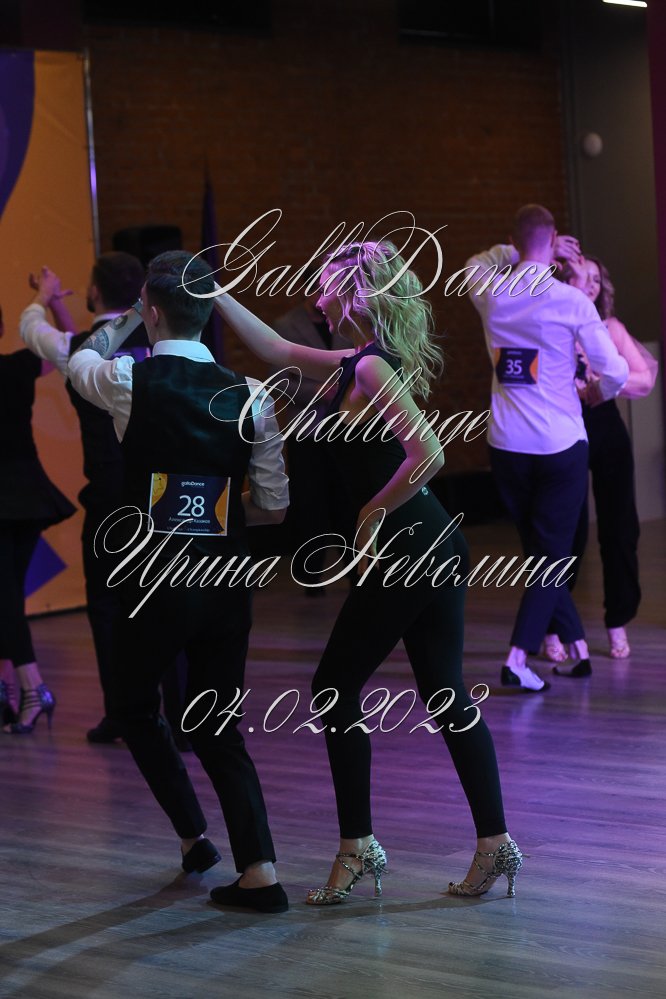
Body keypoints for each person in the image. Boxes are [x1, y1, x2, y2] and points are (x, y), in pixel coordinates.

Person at [208, 239, 523, 904]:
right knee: (444, 693)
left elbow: (429, 452)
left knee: (332, 685)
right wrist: (216, 292)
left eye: (325, 281)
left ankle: (357, 848)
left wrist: (372, 510)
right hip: (433, 542)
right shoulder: (355, 361)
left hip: (410, 547)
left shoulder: (372, 367)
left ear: (354, 294)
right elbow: (276, 349)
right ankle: (494, 843)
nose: (315, 291)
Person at [67, 251, 290, 913]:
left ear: (152, 313)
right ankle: (260, 871)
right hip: (226, 580)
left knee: (135, 706)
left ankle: (194, 837)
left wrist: (123, 321)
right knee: (220, 726)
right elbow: (274, 506)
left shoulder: (127, 379)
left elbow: (80, 360)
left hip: (155, 583)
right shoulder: (252, 394)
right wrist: (212, 510)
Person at [466, 205, 629, 690]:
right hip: (560, 444)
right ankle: (517, 659)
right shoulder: (570, 300)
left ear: (514, 241)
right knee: (550, 556)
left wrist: (518, 249)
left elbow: (476, 261)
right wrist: (599, 391)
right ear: (554, 237)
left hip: (507, 445)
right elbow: (615, 370)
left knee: (541, 551)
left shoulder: (489, 291)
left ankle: (578, 650)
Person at [20, 254, 150, 743]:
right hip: (160, 493)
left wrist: (43, 297)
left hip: (110, 498)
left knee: (108, 606)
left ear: (94, 292)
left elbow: (34, 331)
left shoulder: (77, 351)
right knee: (164, 600)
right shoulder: (159, 343)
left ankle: (123, 713)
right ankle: (181, 717)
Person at [541, 254, 657, 663]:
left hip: (605, 426)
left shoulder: (610, 328)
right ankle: (552, 624)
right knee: (566, 531)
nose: (588, 284)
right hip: (562, 427)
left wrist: (605, 384)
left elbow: (644, 377)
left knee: (619, 527)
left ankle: (617, 621)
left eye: (594, 279)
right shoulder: (548, 324)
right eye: (579, 275)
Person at [0, 304, 76, 733]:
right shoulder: (19, 366)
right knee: (8, 594)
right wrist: (53, 303)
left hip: (12, 499)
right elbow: (72, 347)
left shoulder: (18, 366)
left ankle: (32, 688)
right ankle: (6, 688)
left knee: (6, 596)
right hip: (28, 496)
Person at [271, 267, 353, 585]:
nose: (323, 298)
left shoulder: (346, 321)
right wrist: (319, 391)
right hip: (306, 428)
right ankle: (311, 572)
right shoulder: (285, 326)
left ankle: (353, 568)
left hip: (346, 425)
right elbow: (278, 383)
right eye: (319, 290)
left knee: (346, 496)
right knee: (309, 500)